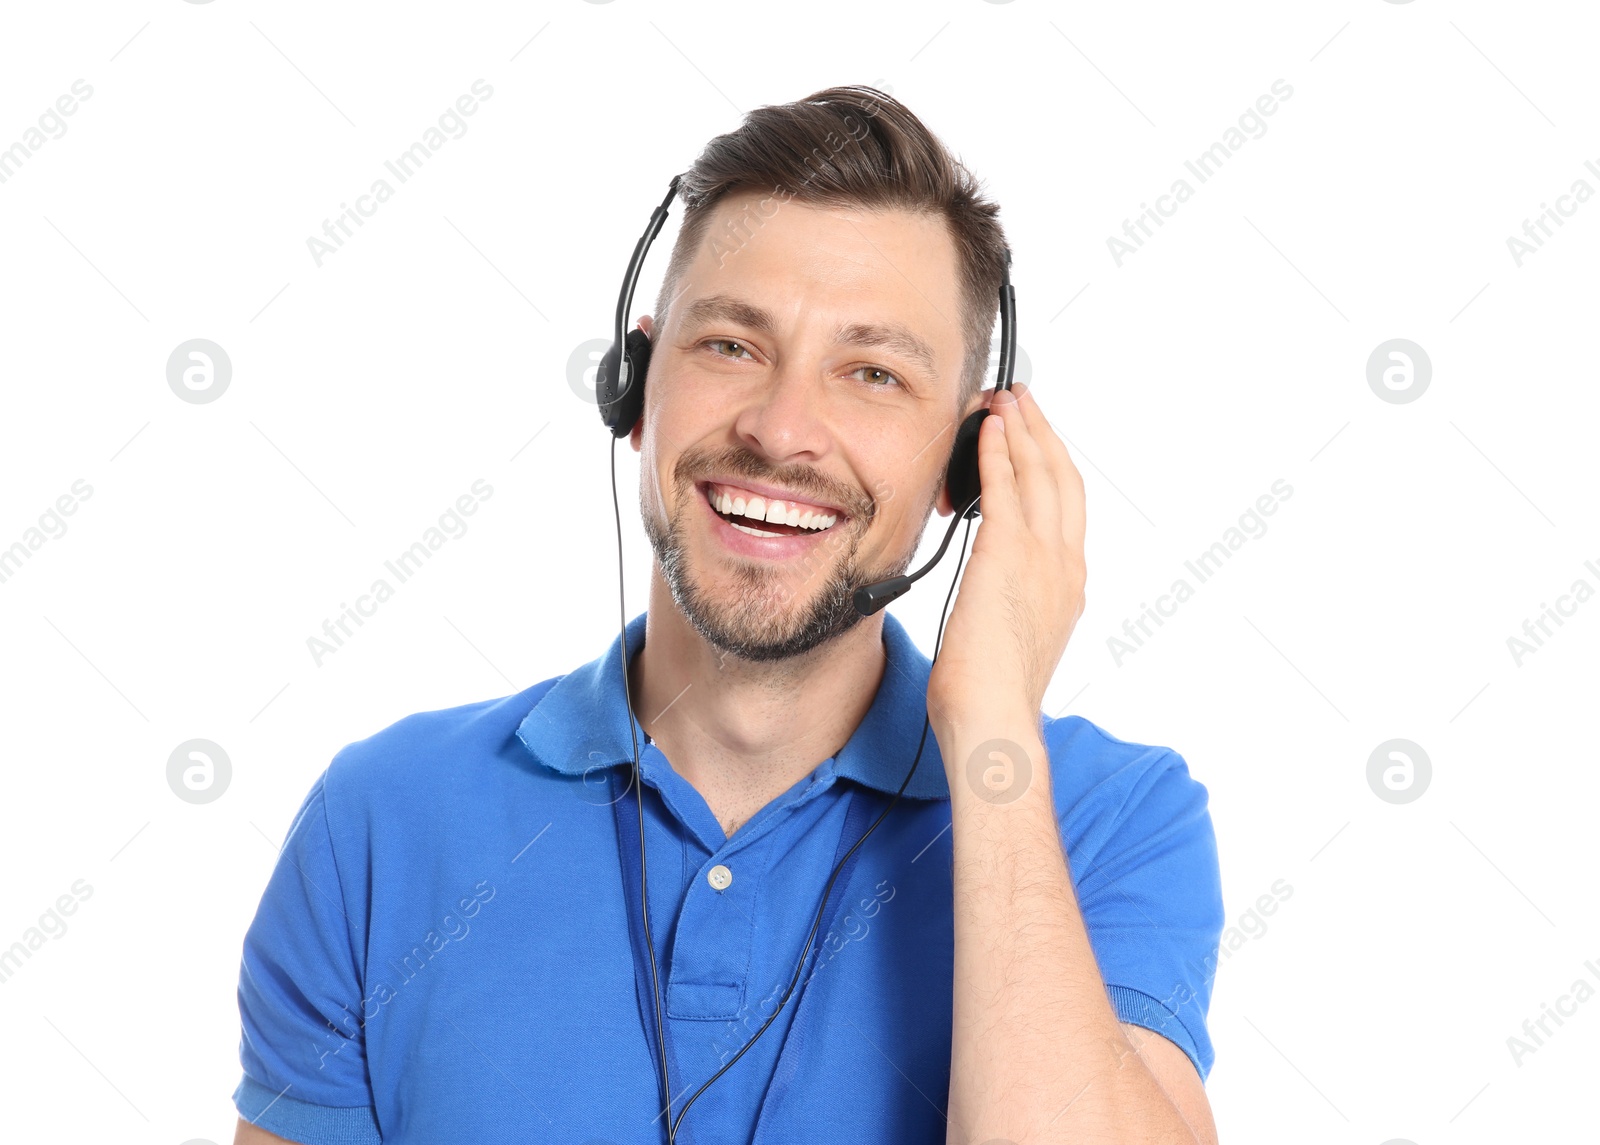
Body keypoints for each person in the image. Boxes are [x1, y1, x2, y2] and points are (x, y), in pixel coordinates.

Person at [231, 85, 1224, 1145]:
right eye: (731, 346)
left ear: (962, 464)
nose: (783, 428)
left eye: (873, 372)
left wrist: (987, 725)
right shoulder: (381, 820)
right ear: (634, 384)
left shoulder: (1106, 818)